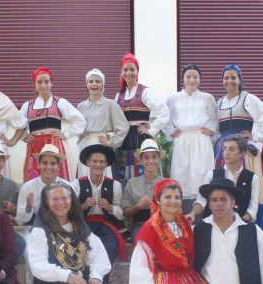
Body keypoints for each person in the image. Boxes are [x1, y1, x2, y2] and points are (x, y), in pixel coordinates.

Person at [216, 64, 263, 228]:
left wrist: (255, 137)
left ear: (240, 80)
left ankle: (249, 219)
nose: (230, 81)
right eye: (226, 78)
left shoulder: (248, 99)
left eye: (233, 77)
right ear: (222, 81)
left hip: (244, 151)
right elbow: (216, 127)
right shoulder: (219, 102)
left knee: (246, 183)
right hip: (223, 150)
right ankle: (226, 220)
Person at [9, 67, 85, 182]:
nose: (43, 85)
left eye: (46, 81)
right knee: (34, 178)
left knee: (56, 178)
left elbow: (80, 120)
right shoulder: (27, 106)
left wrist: (66, 134)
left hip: (54, 144)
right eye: (39, 82)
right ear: (34, 85)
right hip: (34, 147)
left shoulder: (59, 102)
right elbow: (19, 123)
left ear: (51, 83)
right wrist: (25, 137)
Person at [165, 64, 218, 212]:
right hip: (182, 138)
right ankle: (183, 212)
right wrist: (170, 131)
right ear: (183, 78)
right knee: (182, 173)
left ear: (200, 79)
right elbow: (164, 116)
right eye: (188, 76)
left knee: (202, 173)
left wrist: (212, 131)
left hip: (201, 139)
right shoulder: (174, 98)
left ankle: (204, 210)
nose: (192, 80)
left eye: (195, 77)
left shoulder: (207, 98)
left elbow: (214, 118)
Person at [114, 53, 169, 184]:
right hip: (124, 139)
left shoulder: (144, 92)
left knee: (144, 171)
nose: (129, 73)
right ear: (122, 72)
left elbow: (163, 111)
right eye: (125, 70)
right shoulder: (118, 96)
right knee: (124, 174)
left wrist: (151, 130)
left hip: (141, 138)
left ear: (137, 71)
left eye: (132, 69)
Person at [72, 144, 125, 265]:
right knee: (82, 248)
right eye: (94, 161)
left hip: (106, 225)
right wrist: (83, 206)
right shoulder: (76, 184)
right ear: (88, 162)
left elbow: (121, 214)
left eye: (102, 162)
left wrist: (110, 208)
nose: (98, 165)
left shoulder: (115, 185)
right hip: (83, 225)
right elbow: (69, 212)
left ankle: (102, 281)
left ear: (106, 164)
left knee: (110, 246)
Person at [190, 134, 259, 223]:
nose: (226, 153)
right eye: (225, 148)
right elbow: (201, 201)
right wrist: (193, 212)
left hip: (240, 227)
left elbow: (252, 211)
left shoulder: (253, 178)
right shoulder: (211, 174)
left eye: (231, 149)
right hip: (211, 225)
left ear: (242, 153)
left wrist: (236, 225)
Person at [76, 68, 129, 178]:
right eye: (91, 81)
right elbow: (77, 128)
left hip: (103, 146)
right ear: (87, 84)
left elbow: (123, 127)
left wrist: (111, 141)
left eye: (97, 81)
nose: (94, 84)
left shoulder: (110, 104)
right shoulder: (80, 106)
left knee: (104, 178)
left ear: (103, 84)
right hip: (85, 146)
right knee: (85, 178)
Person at [121, 136, 164, 242]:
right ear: (141, 160)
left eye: (154, 157)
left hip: (163, 223)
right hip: (140, 224)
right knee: (140, 239)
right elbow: (125, 212)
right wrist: (138, 207)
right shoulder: (132, 183)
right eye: (146, 157)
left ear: (159, 159)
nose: (151, 161)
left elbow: (178, 209)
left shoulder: (166, 183)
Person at [15, 144, 66, 225]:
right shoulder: (28, 187)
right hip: (35, 227)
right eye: (45, 163)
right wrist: (28, 207)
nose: (49, 167)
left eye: (53, 163)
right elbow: (22, 219)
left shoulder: (67, 187)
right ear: (38, 165)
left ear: (58, 167)